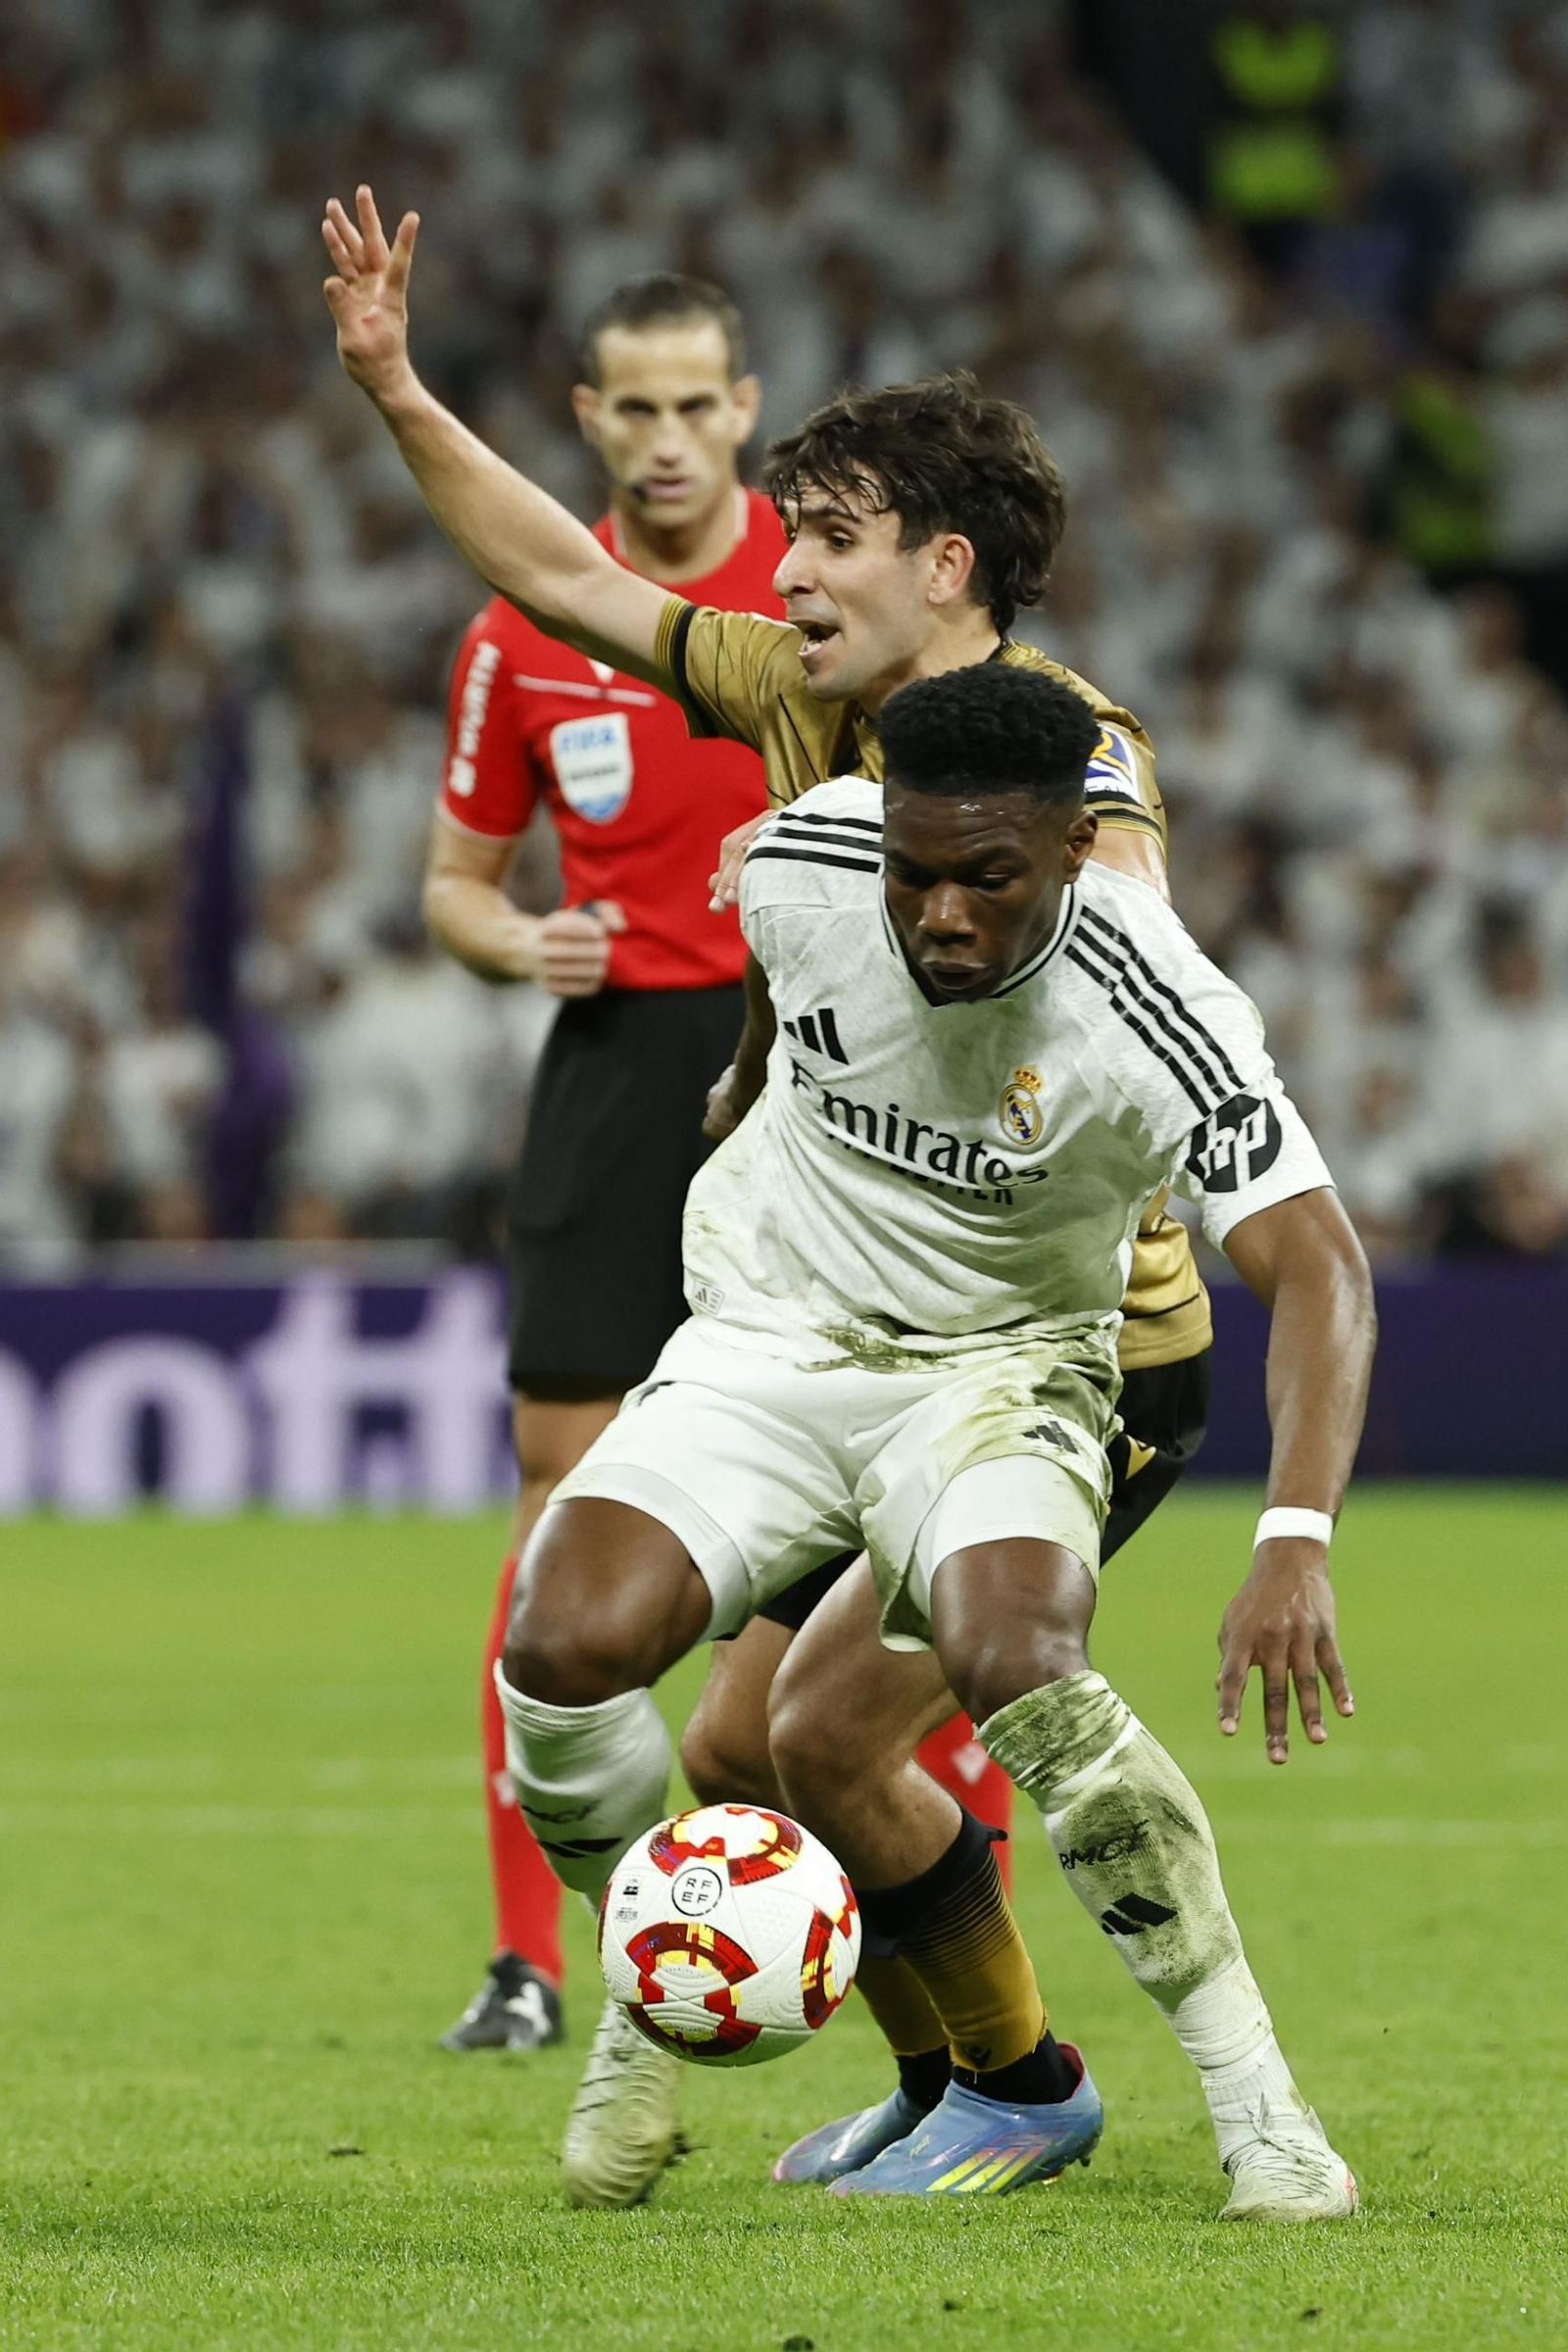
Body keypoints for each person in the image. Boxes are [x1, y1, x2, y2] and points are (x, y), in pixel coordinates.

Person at [320, 183, 1212, 2205]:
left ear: (943, 567)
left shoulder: (1065, 743)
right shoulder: (793, 684)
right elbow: (556, 571)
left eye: (823, 537)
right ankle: (951, 2076)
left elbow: (1121, 900)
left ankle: (1035, 2082)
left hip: (1075, 1344)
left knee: (817, 1739)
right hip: (890, 1322)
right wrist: (394, 390)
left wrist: (920, 894)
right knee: (742, 1747)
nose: (779, 567)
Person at [494, 662, 1375, 2216]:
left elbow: (1320, 1267)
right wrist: (747, 1080)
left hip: (1000, 1367)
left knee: (1016, 1653)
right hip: (776, 1338)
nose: (942, 917)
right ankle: (646, 2005)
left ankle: (1262, 2108)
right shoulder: (806, 859)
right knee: (561, 1647)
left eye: (989, 880)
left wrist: (1294, 1539)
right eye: (916, 874)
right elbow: (780, 970)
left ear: (1074, 850)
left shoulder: (1161, 1005)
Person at [421, 275, 1015, 2080]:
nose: (669, 438)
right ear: (590, 418)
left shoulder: (830, 593)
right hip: (622, 1071)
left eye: (698, 406)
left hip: (821, 1069)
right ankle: (537, 1958)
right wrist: (518, 943)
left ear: (742, 407)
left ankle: (949, 1906)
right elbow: (453, 889)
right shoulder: (521, 636)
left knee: (895, 1495)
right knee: (561, 1510)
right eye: (636, 408)